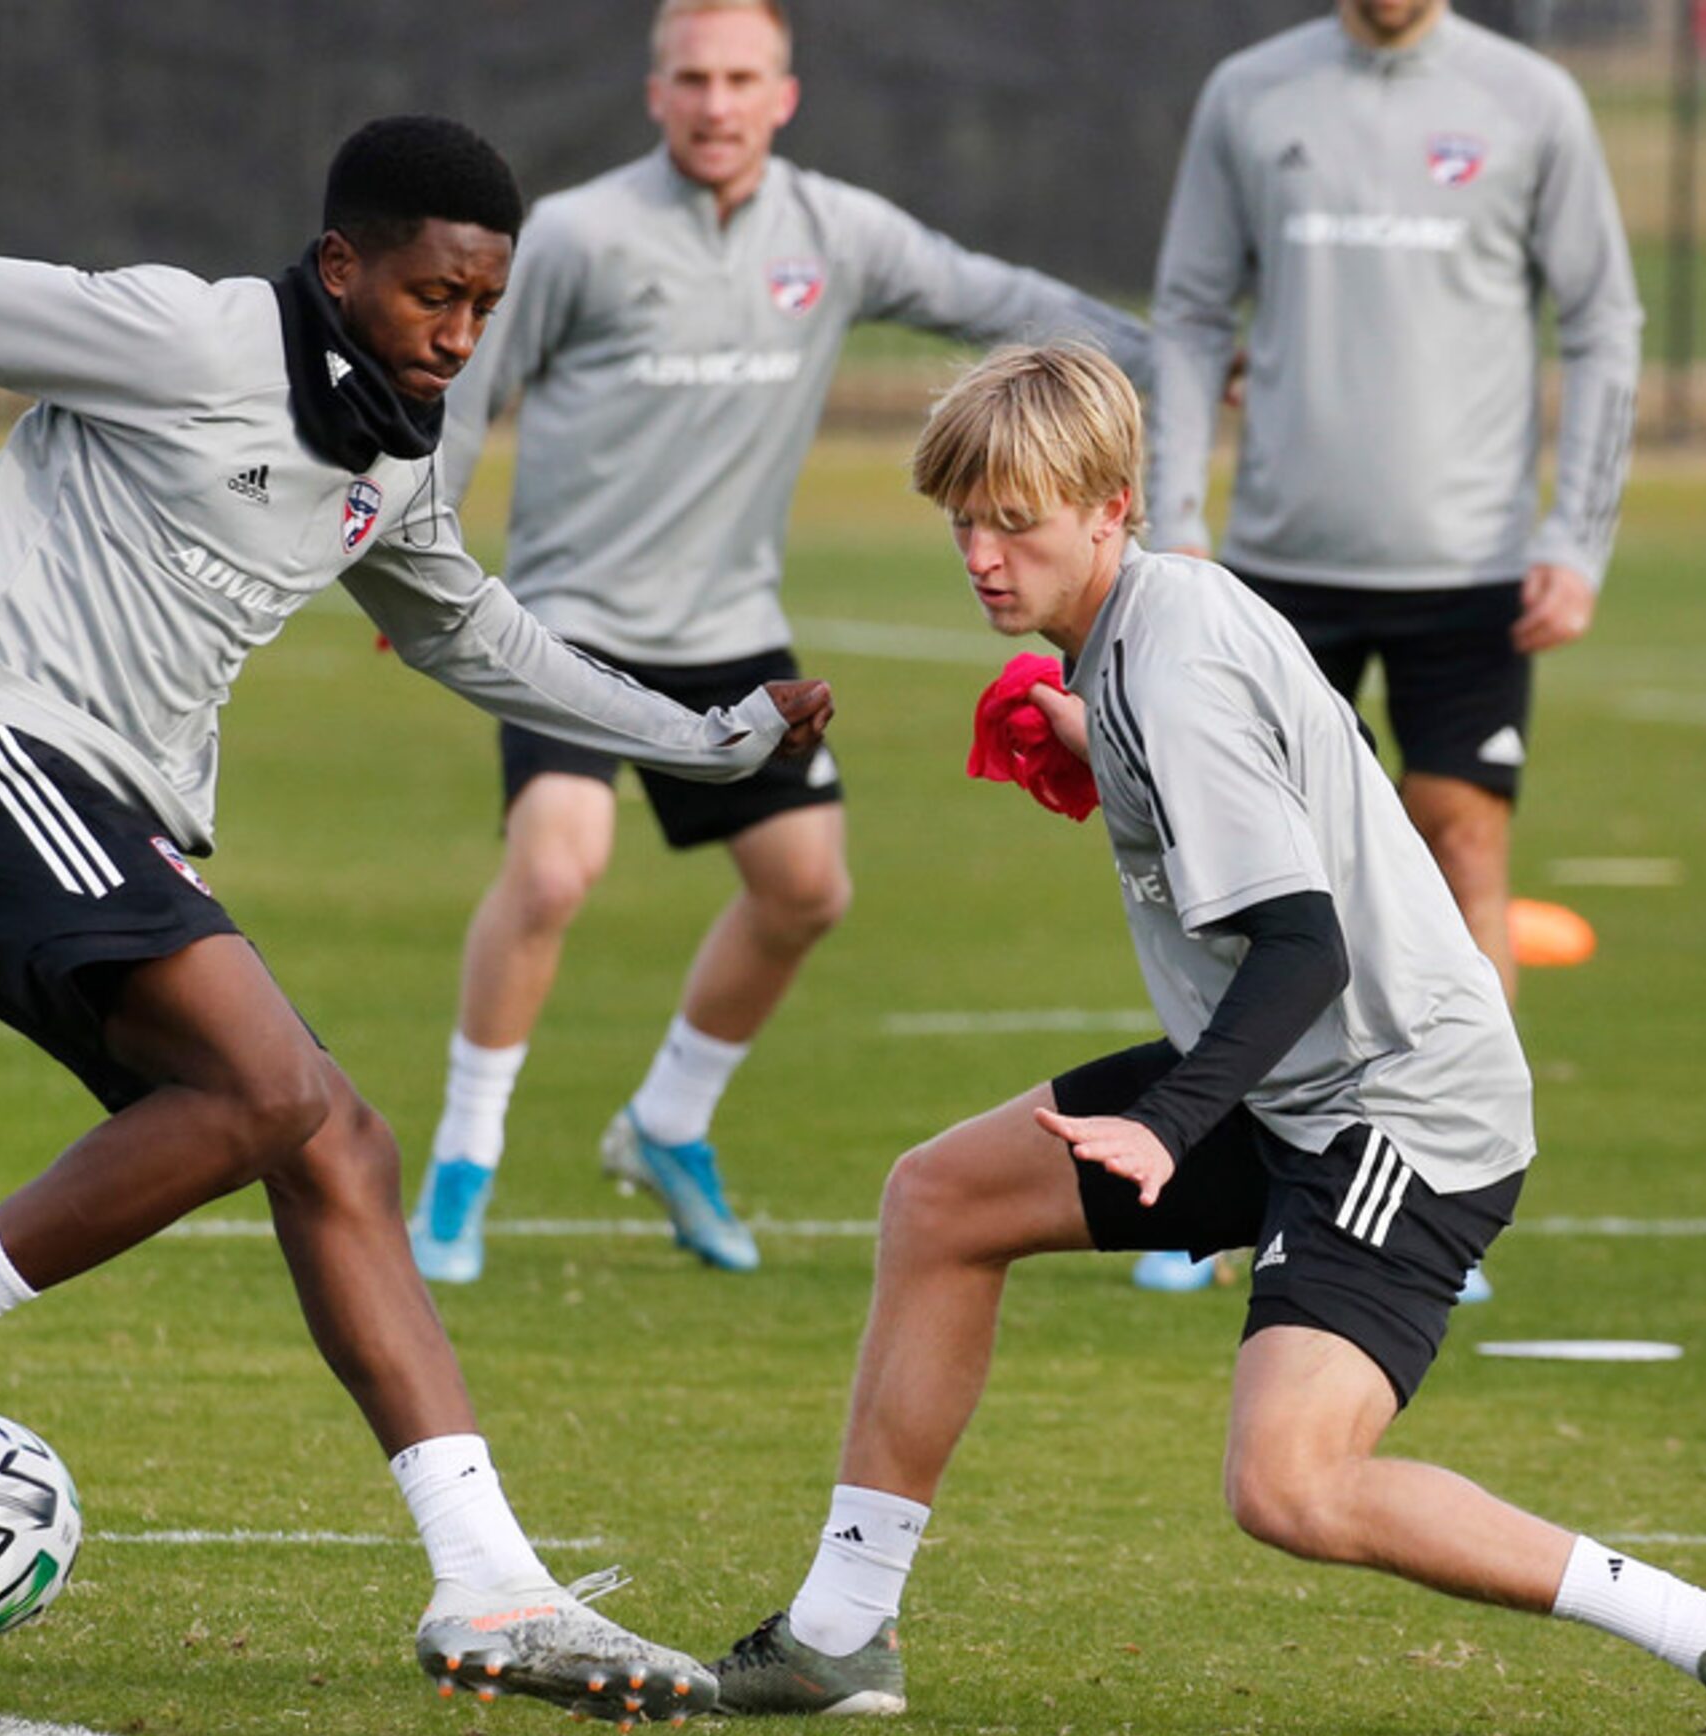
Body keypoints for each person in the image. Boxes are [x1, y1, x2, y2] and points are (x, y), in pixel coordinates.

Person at [0, 117, 833, 1726]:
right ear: (340, 267)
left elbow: (477, 636)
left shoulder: (388, 463)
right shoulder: (188, 334)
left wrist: (714, 738)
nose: (458, 335)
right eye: (429, 296)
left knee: (339, 1141)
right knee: (269, 1092)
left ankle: (488, 1575)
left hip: (94, 818)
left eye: (482, 306)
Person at [704, 344, 1706, 1736]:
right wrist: (1086, 745)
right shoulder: (1147, 620)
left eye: (1011, 519)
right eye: (959, 517)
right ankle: (840, 1631)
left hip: (1395, 1102)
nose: (979, 552)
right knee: (938, 1200)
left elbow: (1301, 945)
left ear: (1108, 505)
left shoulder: (1175, 662)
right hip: (1281, 1076)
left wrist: (1167, 1123)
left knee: (1289, 1485)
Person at [408, 0, 1150, 1285]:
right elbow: (463, 392)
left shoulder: (837, 234)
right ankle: (462, 1168)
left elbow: (997, 298)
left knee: (807, 887)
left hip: (733, 632)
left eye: (741, 77)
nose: (716, 102)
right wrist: (415, 557)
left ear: (783, 95)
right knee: (555, 870)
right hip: (569, 627)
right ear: (656, 93)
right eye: (692, 77)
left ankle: (668, 1123)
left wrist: (1163, 354)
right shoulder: (579, 235)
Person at [1149, 0, 1642, 1006]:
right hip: (1277, 567)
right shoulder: (1249, 94)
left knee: (1463, 846)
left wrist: (1577, 539)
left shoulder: (1532, 100)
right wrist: (1174, 519)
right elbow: (1192, 313)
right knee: (1262, 887)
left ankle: (1477, 1157)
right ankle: (1272, 1156)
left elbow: (1602, 320)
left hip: (1469, 567)